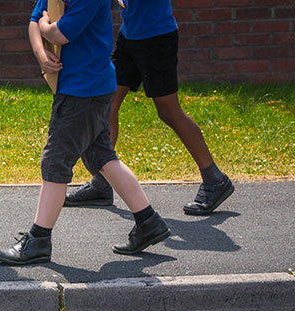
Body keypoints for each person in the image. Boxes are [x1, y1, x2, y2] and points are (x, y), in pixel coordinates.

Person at [0, 0, 170, 265]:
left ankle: (38, 240)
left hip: (85, 89)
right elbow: (33, 20)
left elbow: (60, 33)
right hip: (79, 86)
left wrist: (44, 26)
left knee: (55, 160)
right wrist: (42, 54)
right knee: (101, 157)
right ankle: (148, 222)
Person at [65, 0, 234, 215]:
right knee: (106, 104)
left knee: (169, 112)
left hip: (157, 38)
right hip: (130, 36)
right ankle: (102, 182)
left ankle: (215, 179)